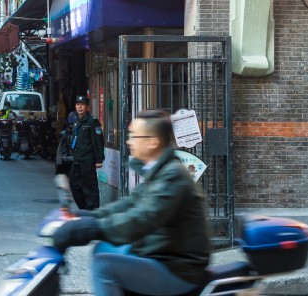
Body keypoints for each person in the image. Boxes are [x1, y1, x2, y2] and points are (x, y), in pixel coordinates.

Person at [52, 109, 210, 296]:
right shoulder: (158, 170)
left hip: (178, 268)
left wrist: (94, 228)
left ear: (153, 142)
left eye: (134, 136)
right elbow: (128, 205)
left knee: (104, 265)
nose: (129, 141)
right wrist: (86, 217)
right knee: (103, 247)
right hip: (159, 252)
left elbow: (142, 218)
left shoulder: (173, 176)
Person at [68, 95, 104, 210]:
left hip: (88, 161)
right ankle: (84, 209)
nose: (80, 107)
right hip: (77, 160)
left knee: (89, 187)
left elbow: (98, 142)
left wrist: (99, 159)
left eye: (82, 105)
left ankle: (92, 211)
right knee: (74, 185)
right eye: (78, 104)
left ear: (87, 107)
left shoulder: (92, 121)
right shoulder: (76, 121)